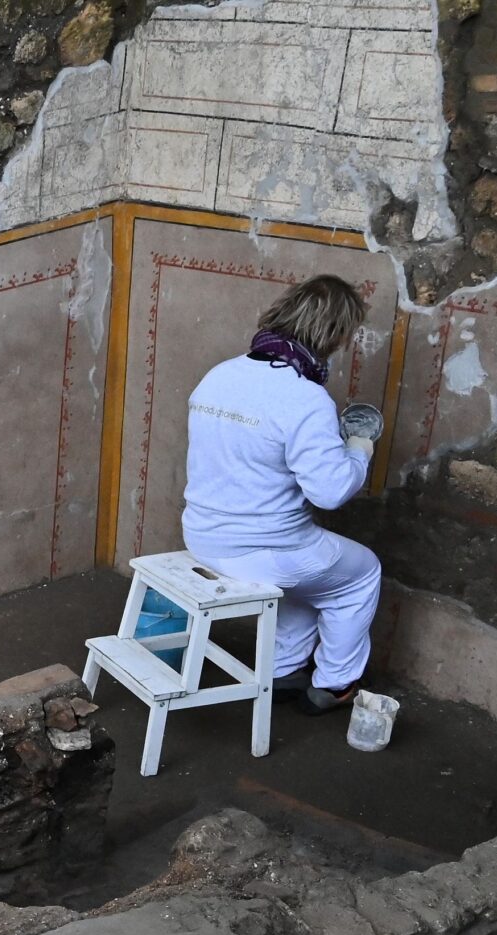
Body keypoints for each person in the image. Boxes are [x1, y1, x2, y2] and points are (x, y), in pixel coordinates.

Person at [180, 274, 386, 715]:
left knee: (311, 575)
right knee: (360, 574)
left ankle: (282, 668)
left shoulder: (221, 374)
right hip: (262, 551)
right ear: (334, 335)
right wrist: (359, 447)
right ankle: (334, 684)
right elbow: (330, 492)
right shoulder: (304, 398)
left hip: (203, 538)